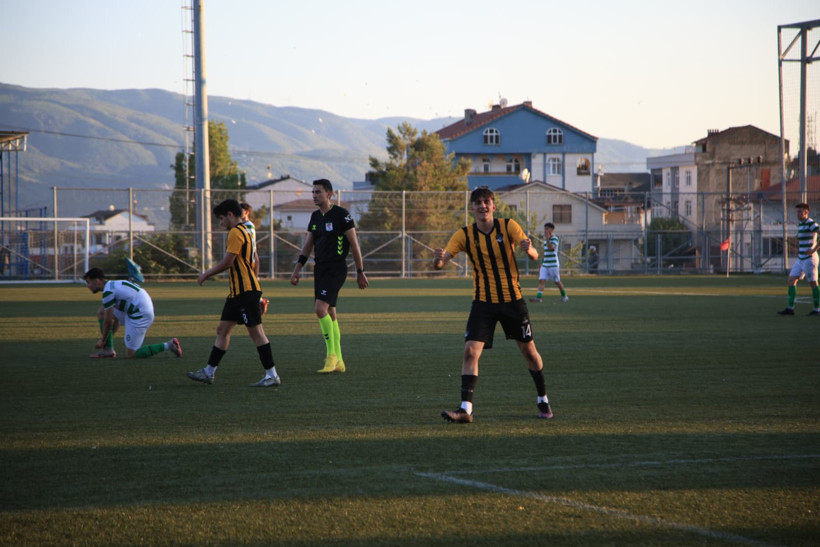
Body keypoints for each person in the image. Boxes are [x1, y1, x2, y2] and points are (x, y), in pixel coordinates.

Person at [433, 186, 553, 423]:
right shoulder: (464, 235)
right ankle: (466, 409)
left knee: (529, 351)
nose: (482, 206)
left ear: (493, 206)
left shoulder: (508, 226)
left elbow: (534, 253)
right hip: (483, 303)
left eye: (486, 201)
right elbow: (441, 263)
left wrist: (528, 249)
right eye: (477, 202)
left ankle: (543, 398)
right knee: (470, 351)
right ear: (472, 208)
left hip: (512, 301)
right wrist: (438, 260)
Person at [187, 199, 281, 386]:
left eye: (221, 218)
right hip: (239, 292)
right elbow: (254, 260)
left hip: (245, 292)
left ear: (230, 214)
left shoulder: (236, 233)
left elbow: (228, 262)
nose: (220, 223)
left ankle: (272, 375)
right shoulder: (247, 230)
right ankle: (209, 372)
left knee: (256, 333)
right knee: (223, 329)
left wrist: (206, 273)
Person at [290, 179, 368, 373]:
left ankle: (331, 355)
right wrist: (297, 268)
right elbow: (308, 245)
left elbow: (355, 245)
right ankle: (340, 361)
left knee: (320, 309)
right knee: (331, 312)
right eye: (313, 192)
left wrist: (360, 271)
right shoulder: (315, 217)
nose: (315, 195)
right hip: (320, 269)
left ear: (329, 194)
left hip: (336, 268)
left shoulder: (342, 215)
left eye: (318, 192)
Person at [83, 267, 182, 359]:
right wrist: (108, 338)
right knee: (102, 311)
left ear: (96, 281)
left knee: (132, 354)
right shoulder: (113, 284)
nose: (88, 286)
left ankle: (169, 345)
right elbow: (114, 320)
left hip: (140, 315)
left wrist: (103, 340)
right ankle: (108, 350)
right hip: (138, 309)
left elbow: (108, 322)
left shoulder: (108, 292)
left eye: (88, 282)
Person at [778, 202, 820, 316]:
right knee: (791, 280)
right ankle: (790, 308)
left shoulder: (810, 223)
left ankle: (817, 309)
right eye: (797, 211)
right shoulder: (801, 224)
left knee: (813, 283)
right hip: (801, 258)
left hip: (809, 259)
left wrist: (814, 249)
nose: (798, 214)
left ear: (806, 212)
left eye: (800, 211)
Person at [240, 202, 269, 315]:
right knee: (247, 287)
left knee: (248, 287)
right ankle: (260, 301)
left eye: (240, 210)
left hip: (248, 261)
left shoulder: (249, 226)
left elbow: (251, 246)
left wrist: (253, 261)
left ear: (246, 212)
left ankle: (257, 304)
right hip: (243, 261)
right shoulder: (240, 226)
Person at [530, 222, 568, 303]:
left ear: (552, 230)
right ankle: (538, 297)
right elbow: (546, 252)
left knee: (557, 282)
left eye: (547, 229)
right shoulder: (545, 240)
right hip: (545, 265)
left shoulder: (554, 239)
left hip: (553, 265)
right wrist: (541, 262)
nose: (545, 230)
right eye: (545, 229)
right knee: (541, 280)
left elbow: (551, 248)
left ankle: (564, 296)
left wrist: (547, 239)